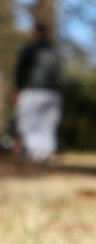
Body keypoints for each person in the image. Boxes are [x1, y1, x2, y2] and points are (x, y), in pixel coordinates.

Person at [13, 21, 63, 164]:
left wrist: (18, 88)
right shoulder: (55, 51)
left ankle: (35, 154)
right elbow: (60, 74)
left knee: (29, 123)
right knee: (48, 124)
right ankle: (47, 153)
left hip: (33, 90)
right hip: (53, 93)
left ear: (34, 33)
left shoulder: (30, 50)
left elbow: (20, 71)